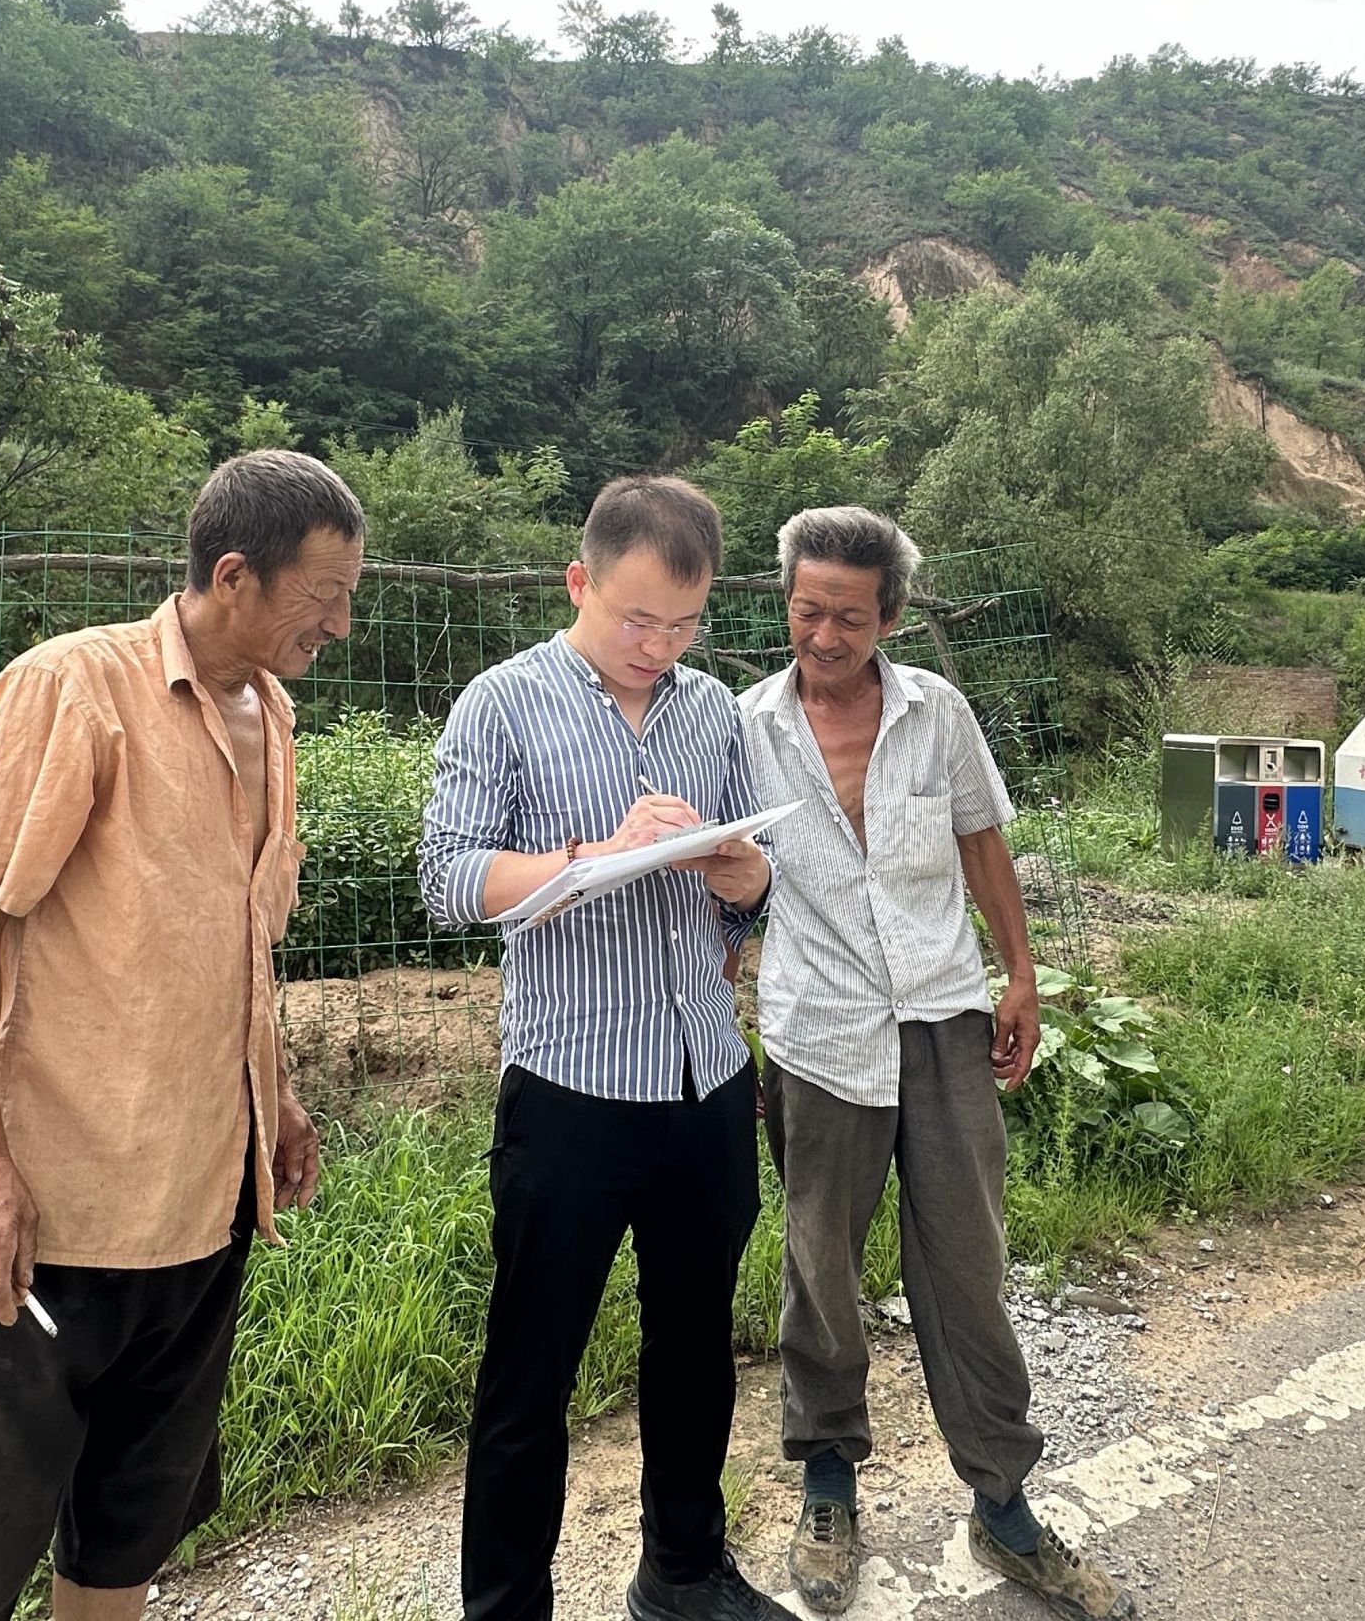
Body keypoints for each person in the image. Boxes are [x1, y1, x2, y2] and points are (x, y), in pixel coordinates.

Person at [0, 450, 366, 1621]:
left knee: (124, 1540)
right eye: (322, 595)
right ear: (234, 575)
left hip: (199, 1213)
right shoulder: (74, 686)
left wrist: (274, 1097)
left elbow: (230, 940)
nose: (340, 625)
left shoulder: (273, 713)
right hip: (53, 1225)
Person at [738, 508, 1135, 1621]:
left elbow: (979, 840)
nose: (824, 635)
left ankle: (1003, 1504)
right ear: (785, 602)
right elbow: (726, 872)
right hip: (818, 1030)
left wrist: (1021, 973)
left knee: (965, 1262)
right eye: (807, 610)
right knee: (820, 1260)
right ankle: (827, 1483)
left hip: (943, 1014)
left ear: (892, 618)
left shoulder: (936, 711)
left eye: (850, 617)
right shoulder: (741, 725)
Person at [419, 475, 786, 1621]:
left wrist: (742, 874)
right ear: (578, 581)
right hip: (570, 1086)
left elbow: (754, 889)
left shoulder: (712, 711)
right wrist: (592, 854)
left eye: (682, 623)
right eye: (636, 618)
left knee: (696, 1348)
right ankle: (504, 1606)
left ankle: (682, 1571)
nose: (657, 645)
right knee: (530, 1372)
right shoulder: (501, 702)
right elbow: (447, 878)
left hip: (705, 1078)